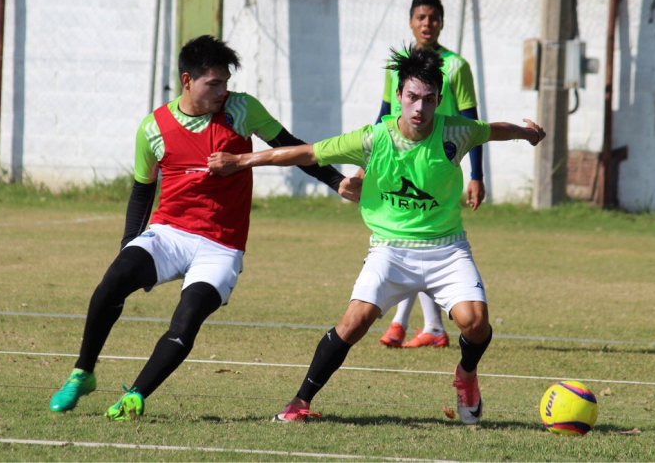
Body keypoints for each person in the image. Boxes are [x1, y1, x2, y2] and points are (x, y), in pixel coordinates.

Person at [208, 45, 545, 425]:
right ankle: (300, 401)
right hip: (390, 250)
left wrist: (525, 132)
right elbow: (306, 153)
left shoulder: (455, 132)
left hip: (446, 249)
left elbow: (493, 130)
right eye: (412, 98)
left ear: (438, 101)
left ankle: (466, 375)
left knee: (476, 323)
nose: (420, 108)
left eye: (429, 100)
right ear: (398, 96)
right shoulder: (373, 138)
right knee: (354, 322)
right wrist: (240, 160)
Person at [48, 35, 354, 420]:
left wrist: (335, 181)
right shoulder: (153, 128)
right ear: (187, 80)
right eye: (214, 83)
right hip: (170, 232)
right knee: (111, 282)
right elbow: (143, 191)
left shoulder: (241, 109)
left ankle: (135, 396)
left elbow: (291, 146)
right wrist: (129, 245)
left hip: (221, 246)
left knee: (188, 317)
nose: (223, 91)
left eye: (226, 82)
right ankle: (82, 373)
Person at [378, 0, 485, 349]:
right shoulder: (399, 68)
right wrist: (370, 166)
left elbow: (472, 124)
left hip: (437, 165)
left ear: (442, 22)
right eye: (421, 17)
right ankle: (418, 326)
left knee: (422, 235)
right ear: (411, 21)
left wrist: (477, 175)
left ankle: (413, 325)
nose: (427, 24)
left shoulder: (456, 66)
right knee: (405, 236)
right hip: (397, 164)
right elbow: (382, 117)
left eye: (434, 18)